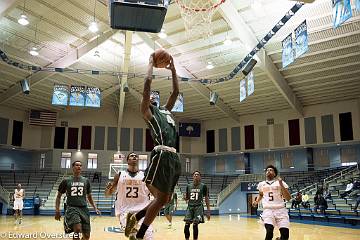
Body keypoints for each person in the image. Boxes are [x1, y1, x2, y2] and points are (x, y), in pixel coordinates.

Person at [124, 52, 181, 240]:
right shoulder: (148, 113)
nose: (152, 97)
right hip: (162, 154)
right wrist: (150, 63)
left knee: (164, 200)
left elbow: (175, 92)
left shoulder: (165, 110)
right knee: (160, 199)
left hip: (174, 157)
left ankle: (136, 217)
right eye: (149, 97)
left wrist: (173, 70)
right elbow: (147, 86)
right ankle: (140, 234)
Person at [105, 152, 153, 240]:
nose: (134, 157)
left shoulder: (145, 175)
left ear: (138, 160)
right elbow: (108, 195)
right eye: (132, 156)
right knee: (133, 235)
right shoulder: (119, 175)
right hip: (126, 211)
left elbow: (152, 192)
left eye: (136, 156)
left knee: (148, 237)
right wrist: (108, 189)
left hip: (142, 211)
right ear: (127, 161)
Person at [55, 161, 101, 240]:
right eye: (77, 165)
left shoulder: (86, 181)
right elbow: (58, 196)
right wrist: (57, 210)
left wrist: (95, 207)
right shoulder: (66, 181)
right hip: (72, 208)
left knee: (86, 236)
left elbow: (89, 196)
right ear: (72, 167)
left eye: (80, 165)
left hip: (84, 209)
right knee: (77, 229)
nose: (79, 167)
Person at [252, 165, 291, 240]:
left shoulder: (280, 183)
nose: (268, 171)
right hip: (268, 210)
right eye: (267, 170)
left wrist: (281, 184)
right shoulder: (261, 184)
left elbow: (288, 198)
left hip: (281, 210)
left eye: (271, 170)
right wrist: (256, 201)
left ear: (275, 174)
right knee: (269, 232)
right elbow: (261, 194)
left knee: (285, 235)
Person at [183, 171, 210, 240]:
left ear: (200, 177)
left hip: (198, 207)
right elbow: (187, 198)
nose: (196, 175)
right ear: (192, 176)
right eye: (195, 174)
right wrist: (185, 198)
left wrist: (208, 211)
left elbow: (206, 198)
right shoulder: (188, 186)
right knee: (186, 225)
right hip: (190, 207)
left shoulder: (203, 186)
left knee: (195, 225)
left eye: (198, 174)